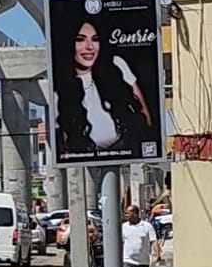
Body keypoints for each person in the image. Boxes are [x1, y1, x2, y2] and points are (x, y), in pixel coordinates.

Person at [55, 12, 153, 159]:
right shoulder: (59, 89)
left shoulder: (116, 65)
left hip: (128, 151)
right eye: (81, 40)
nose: (89, 47)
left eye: (95, 39)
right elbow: (63, 146)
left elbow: (146, 118)